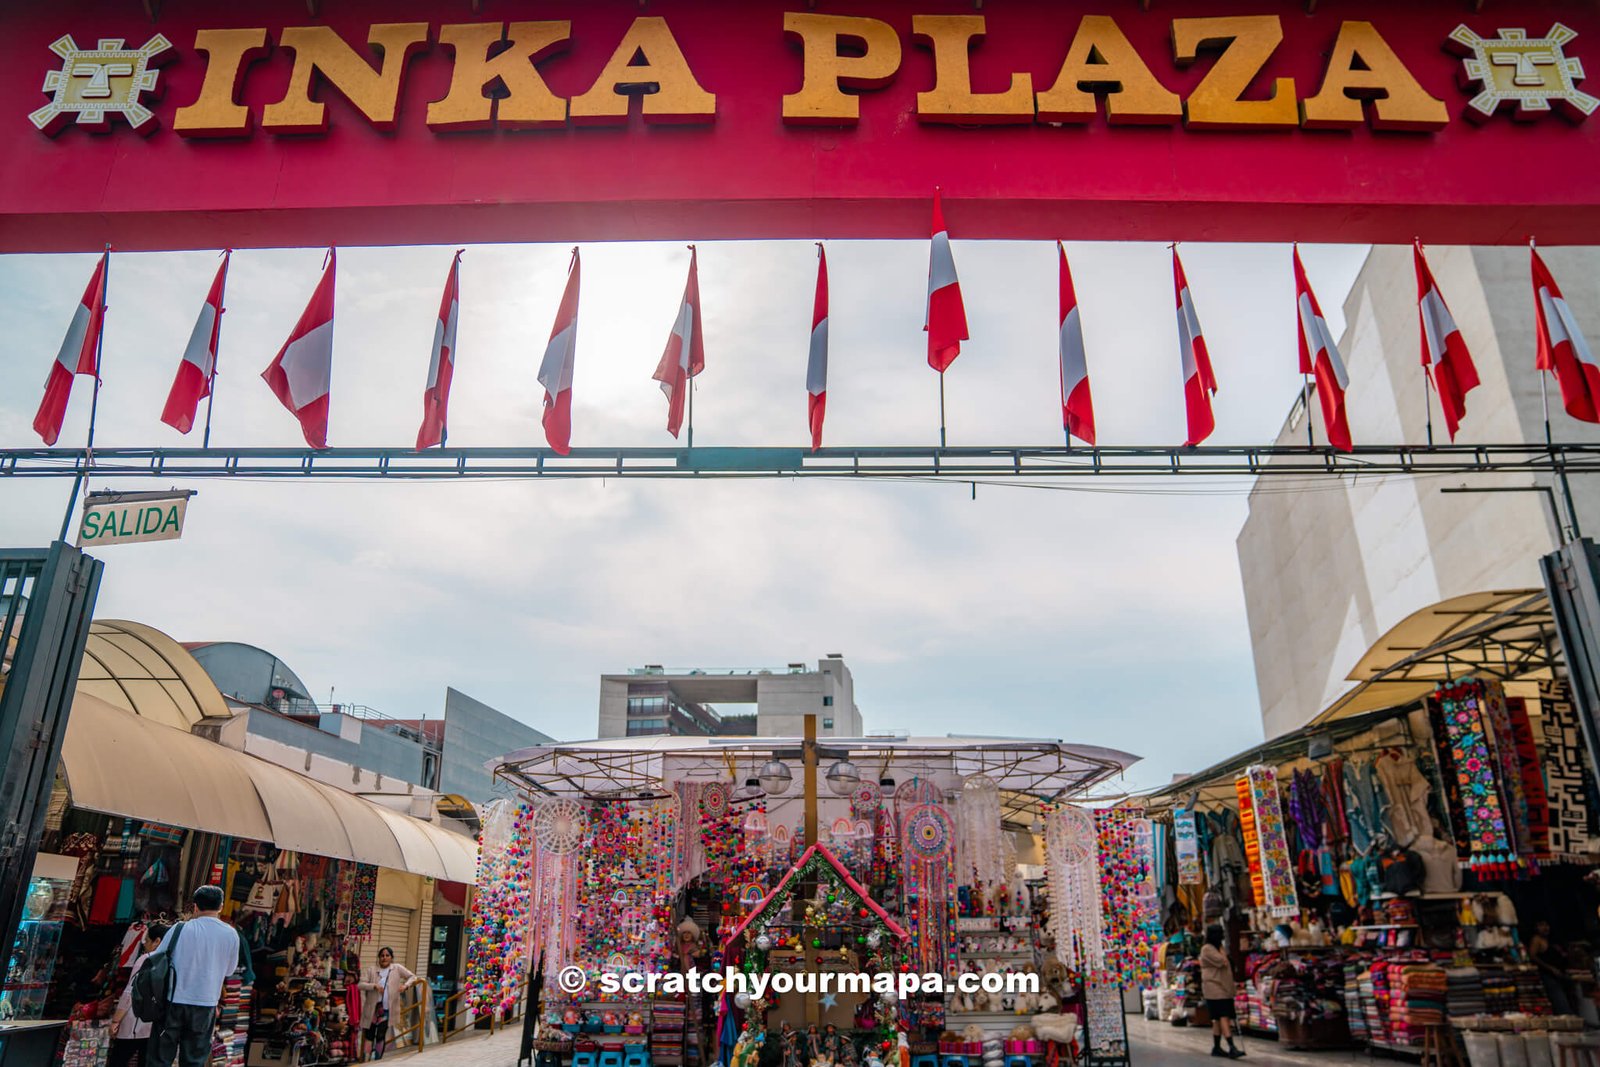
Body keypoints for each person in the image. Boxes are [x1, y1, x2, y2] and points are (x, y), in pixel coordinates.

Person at [147, 887, 251, 1067]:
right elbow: (229, 970)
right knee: (194, 1059)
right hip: (206, 1004)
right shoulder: (231, 934)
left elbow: (157, 958)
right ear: (221, 906)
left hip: (173, 1001)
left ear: (195, 907)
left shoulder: (179, 929)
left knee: (160, 1058)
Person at [108, 923, 168, 1067]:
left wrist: (116, 1020)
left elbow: (130, 991)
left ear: (157, 941)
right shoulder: (171, 960)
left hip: (134, 1021)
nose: (145, 945)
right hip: (155, 1024)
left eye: (147, 941)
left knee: (118, 1060)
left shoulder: (146, 959)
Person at [358, 946, 423, 1060]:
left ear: (391, 958)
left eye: (387, 955)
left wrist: (405, 985)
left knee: (381, 1035)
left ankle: (378, 1060)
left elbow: (413, 976)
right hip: (372, 1009)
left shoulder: (397, 968)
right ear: (378, 958)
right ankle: (366, 1060)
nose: (384, 958)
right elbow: (360, 985)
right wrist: (374, 986)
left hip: (386, 1009)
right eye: (382, 956)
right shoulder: (371, 970)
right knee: (369, 1035)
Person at [1199, 925, 1244, 1058]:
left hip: (1222, 986)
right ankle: (1231, 1046)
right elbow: (1222, 961)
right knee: (1223, 1015)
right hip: (1215, 987)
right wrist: (1225, 956)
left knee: (1217, 1019)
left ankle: (1217, 1047)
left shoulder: (1218, 947)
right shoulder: (1207, 949)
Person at [1530, 920, 1577, 1016]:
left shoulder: (1551, 940)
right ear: (1536, 928)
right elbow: (1532, 956)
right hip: (1548, 974)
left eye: (1546, 925)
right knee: (1560, 1001)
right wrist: (1550, 968)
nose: (1545, 928)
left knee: (1569, 998)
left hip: (1560, 973)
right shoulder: (1537, 939)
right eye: (1541, 925)